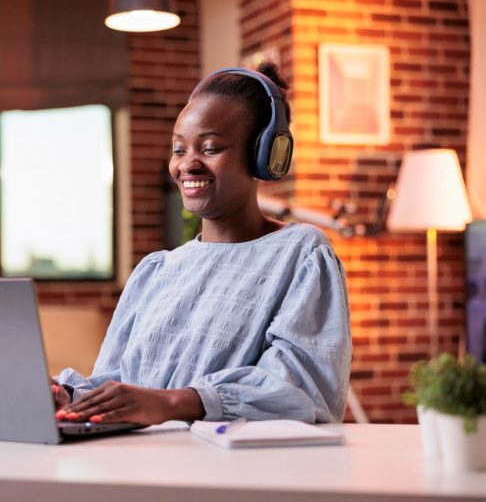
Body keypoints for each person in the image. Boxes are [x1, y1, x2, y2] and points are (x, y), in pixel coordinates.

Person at [51, 62, 352, 426]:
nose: (187, 165)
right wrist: (70, 395)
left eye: (209, 148)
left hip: (229, 470)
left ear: (264, 155)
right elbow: (118, 383)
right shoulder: (156, 270)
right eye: (179, 150)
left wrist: (174, 402)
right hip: (137, 464)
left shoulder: (301, 254)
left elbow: (300, 388)